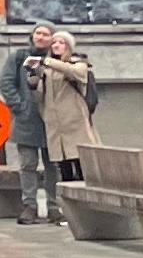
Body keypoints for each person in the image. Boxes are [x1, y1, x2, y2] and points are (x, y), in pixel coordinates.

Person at [36, 23, 103, 183]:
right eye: (54, 43)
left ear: (69, 46)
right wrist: (32, 74)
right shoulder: (46, 69)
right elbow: (38, 92)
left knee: (80, 159)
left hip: (74, 119)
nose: (56, 45)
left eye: (61, 42)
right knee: (63, 163)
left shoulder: (77, 63)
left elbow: (77, 72)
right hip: (54, 121)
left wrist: (47, 62)